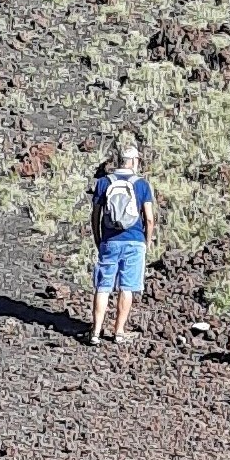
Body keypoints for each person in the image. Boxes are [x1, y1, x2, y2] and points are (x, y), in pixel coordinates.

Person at [90, 142, 156, 345]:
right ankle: (118, 332)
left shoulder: (104, 182)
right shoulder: (142, 185)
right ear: (134, 161)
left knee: (103, 287)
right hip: (134, 241)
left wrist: (98, 238)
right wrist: (147, 242)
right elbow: (149, 218)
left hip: (109, 241)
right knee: (126, 287)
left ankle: (95, 332)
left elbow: (95, 215)